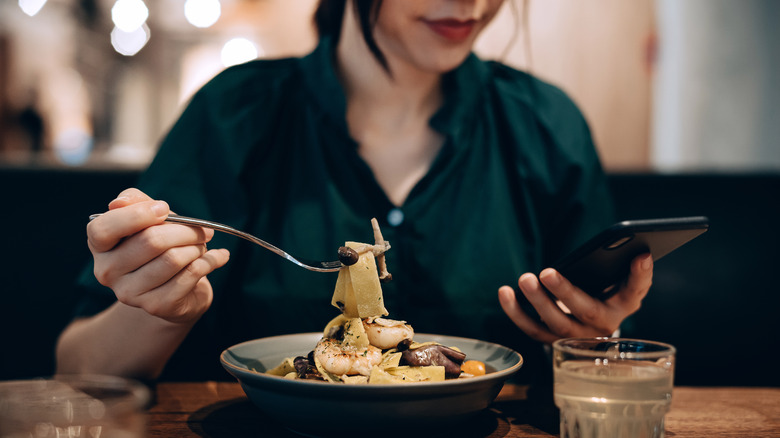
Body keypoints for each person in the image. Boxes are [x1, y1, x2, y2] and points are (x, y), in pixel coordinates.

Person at [56, 0, 652, 384]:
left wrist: (596, 341)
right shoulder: (234, 115)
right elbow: (77, 367)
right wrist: (163, 307)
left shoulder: (545, 123)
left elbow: (598, 362)